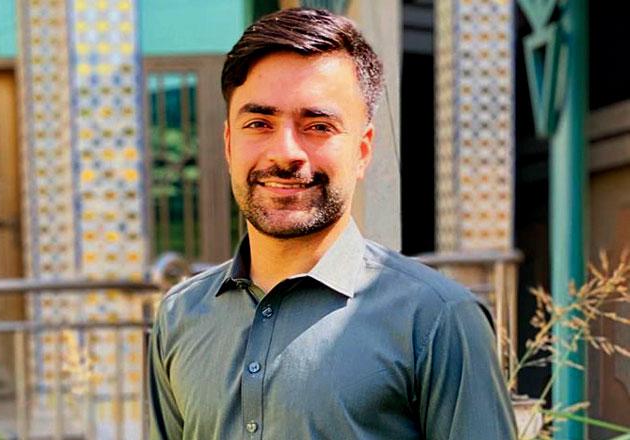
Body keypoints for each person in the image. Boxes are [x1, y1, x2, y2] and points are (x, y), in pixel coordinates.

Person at [148, 7, 517, 440]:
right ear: (229, 144)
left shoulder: (438, 319)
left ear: (362, 151)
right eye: (259, 124)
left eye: (318, 126)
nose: (285, 153)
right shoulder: (179, 316)